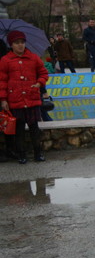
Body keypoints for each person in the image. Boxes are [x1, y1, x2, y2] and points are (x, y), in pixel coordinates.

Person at [0, 30, 49, 164]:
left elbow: (44, 73)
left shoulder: (33, 58)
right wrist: (3, 99)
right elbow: (2, 81)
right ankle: (22, 155)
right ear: (11, 45)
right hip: (15, 100)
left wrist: (39, 83)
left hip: (32, 99)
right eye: (17, 43)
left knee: (34, 128)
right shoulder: (5, 60)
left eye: (22, 42)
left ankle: (38, 153)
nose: (20, 45)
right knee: (19, 130)